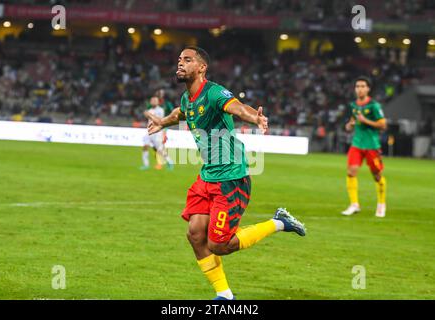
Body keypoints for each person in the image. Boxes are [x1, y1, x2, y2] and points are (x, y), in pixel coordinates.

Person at [145, 46, 306, 300]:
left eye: (187, 60)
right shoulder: (188, 97)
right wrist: (163, 121)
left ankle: (279, 222)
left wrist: (255, 118)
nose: (180, 63)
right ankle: (225, 295)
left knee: (219, 245)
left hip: (231, 177)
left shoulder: (214, 92)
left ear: (201, 68)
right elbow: (182, 112)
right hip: (207, 176)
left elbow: (237, 107)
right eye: (179, 59)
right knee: (196, 234)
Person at [342, 76, 387, 217]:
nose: (359, 89)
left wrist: (365, 120)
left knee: (377, 175)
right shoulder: (353, 106)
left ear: (368, 89)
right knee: (351, 171)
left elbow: (383, 125)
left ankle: (381, 204)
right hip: (357, 144)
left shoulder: (374, 106)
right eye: (357, 86)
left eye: (362, 86)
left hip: (372, 145)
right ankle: (354, 204)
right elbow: (350, 124)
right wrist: (349, 126)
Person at [140, 96, 174, 170]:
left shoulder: (160, 110)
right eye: (152, 100)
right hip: (149, 131)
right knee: (145, 146)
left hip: (157, 132)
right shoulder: (149, 110)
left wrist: (148, 115)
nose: (153, 102)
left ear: (158, 102)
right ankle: (146, 165)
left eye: (155, 100)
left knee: (160, 149)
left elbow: (158, 120)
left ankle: (170, 161)